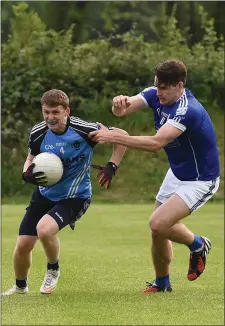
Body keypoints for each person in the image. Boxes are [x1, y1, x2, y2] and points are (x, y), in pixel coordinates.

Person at [89, 59, 220, 293]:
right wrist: (118, 106)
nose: (158, 92)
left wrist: (113, 138)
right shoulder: (154, 93)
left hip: (201, 179)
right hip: (178, 172)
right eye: (157, 86)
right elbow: (124, 109)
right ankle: (162, 283)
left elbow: (156, 143)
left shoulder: (187, 110)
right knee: (157, 229)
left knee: (158, 222)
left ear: (179, 86)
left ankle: (198, 244)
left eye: (164, 88)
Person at [2, 89, 127, 296]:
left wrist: (112, 165)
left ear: (66, 111)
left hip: (75, 196)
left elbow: (121, 136)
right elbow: (31, 158)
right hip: (44, 194)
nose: (50, 117)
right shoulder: (38, 132)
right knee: (23, 244)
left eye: (55, 112)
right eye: (46, 112)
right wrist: (26, 174)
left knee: (44, 229)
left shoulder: (84, 130)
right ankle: (20, 287)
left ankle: (53, 268)